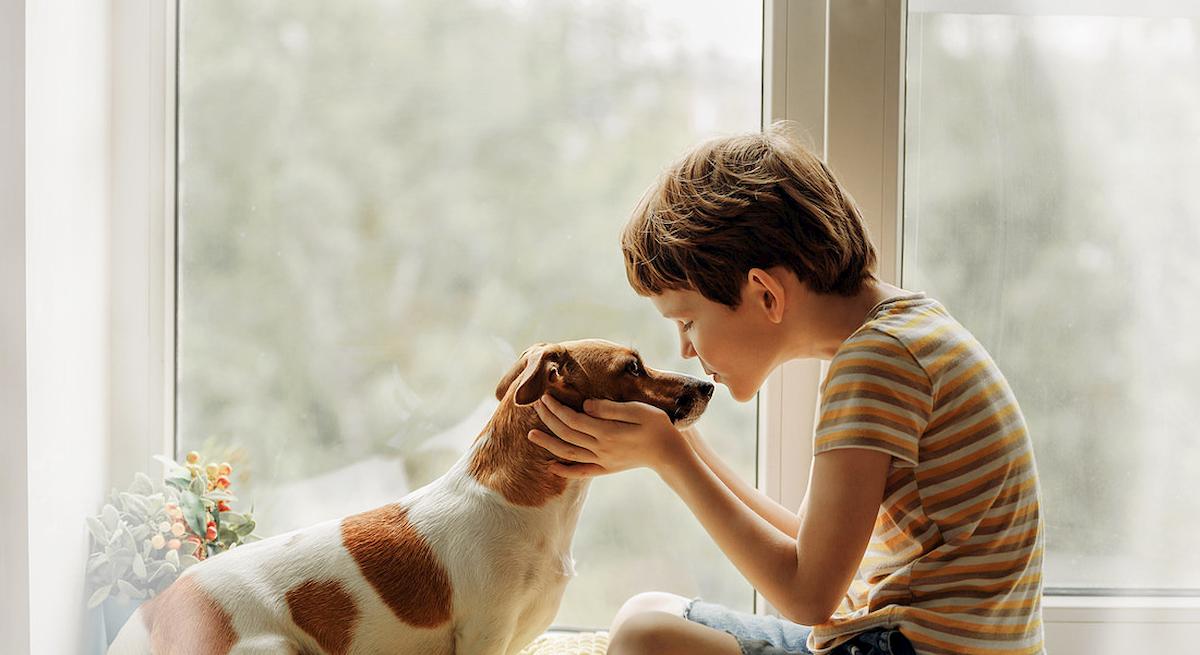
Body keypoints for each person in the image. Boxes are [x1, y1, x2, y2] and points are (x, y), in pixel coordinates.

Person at [526, 123, 1045, 655]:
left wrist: (673, 461)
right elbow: (812, 545)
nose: (685, 350)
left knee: (643, 637)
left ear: (765, 295)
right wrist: (683, 446)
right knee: (646, 613)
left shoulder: (876, 363)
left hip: (908, 648)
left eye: (687, 323)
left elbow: (809, 595)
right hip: (902, 638)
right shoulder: (903, 334)